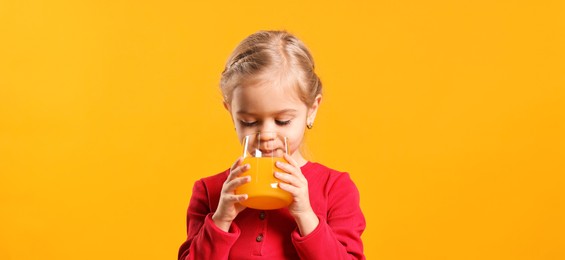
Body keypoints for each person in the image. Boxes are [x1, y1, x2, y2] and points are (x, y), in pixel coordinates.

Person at [178, 30, 366, 259]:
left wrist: (305, 214)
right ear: (231, 113)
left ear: (312, 110)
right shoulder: (210, 192)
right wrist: (221, 220)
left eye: (282, 121)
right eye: (249, 121)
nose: (266, 134)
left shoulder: (336, 188)